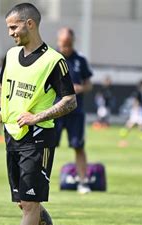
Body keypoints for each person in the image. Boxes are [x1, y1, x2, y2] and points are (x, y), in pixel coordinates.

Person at [0, 3, 77, 225]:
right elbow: (1, 83)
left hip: (39, 137)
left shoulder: (54, 61)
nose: (10, 33)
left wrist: (36, 117)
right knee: (25, 203)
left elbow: (70, 101)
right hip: (13, 136)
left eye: (13, 27)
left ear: (30, 23)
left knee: (31, 203)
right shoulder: (10, 55)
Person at [54, 27, 93, 194]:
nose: (66, 49)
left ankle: (83, 182)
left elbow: (89, 84)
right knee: (47, 146)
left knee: (78, 146)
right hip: (54, 111)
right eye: (63, 45)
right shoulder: (51, 58)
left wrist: (80, 88)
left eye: (69, 45)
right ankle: (41, 182)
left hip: (76, 112)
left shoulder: (80, 60)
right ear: (58, 43)